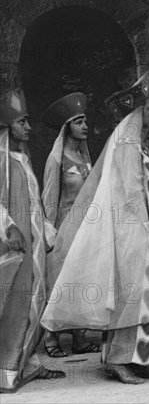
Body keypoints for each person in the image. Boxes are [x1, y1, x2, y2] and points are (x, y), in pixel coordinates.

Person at [41, 73, 149, 384]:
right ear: (138, 113)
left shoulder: (135, 144)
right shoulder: (128, 144)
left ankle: (142, 359)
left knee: (148, 297)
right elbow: (131, 193)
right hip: (136, 233)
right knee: (130, 298)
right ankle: (117, 360)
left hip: (144, 233)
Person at [0, 89, 65, 393]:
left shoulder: (22, 158)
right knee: (15, 304)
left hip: (32, 245)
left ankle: (28, 361)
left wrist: (46, 233)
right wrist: (9, 229)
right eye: (22, 121)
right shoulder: (1, 160)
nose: (28, 127)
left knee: (32, 301)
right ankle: (8, 369)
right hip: (14, 244)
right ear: (7, 126)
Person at [41, 92, 100, 358]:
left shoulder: (86, 158)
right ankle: (50, 336)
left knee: (83, 280)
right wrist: (49, 233)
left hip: (86, 229)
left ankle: (79, 337)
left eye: (85, 120)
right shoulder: (57, 159)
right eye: (78, 121)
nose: (85, 126)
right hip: (65, 227)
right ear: (67, 127)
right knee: (60, 282)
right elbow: (49, 198)